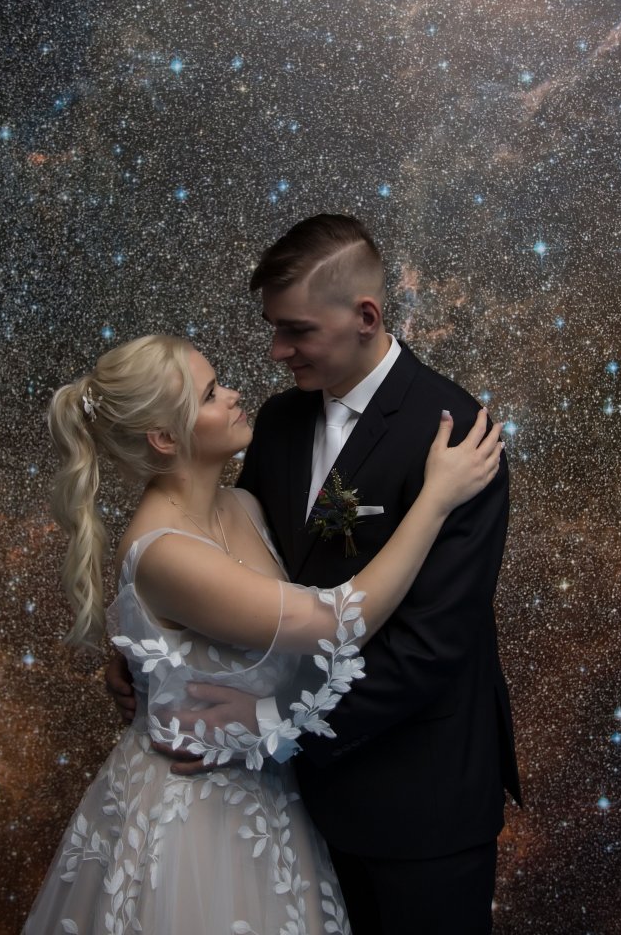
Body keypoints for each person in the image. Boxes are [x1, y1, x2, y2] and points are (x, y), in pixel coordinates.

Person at [107, 214, 523, 934]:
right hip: (294, 805)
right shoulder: (277, 423)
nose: (277, 351)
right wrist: (150, 649)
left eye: (296, 331)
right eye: (274, 328)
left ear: (366, 317)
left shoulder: (453, 435)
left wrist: (274, 721)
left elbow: (431, 647)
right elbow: (233, 570)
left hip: (418, 800)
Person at [23, 332, 504, 934]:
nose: (234, 394)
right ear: (165, 437)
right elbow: (333, 623)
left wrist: (147, 657)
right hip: (196, 810)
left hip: (281, 793)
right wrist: (435, 500)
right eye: (210, 394)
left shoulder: (243, 506)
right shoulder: (166, 552)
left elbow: (249, 621)